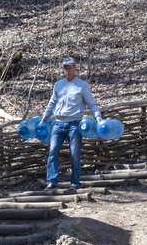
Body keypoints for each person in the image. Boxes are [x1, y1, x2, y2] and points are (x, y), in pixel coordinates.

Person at [40, 56, 103, 190]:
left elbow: (91, 103)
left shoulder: (82, 85)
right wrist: (44, 117)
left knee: (74, 154)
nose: (67, 71)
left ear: (75, 68)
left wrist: (98, 118)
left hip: (74, 123)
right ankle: (52, 181)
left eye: (69, 68)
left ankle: (75, 183)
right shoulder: (58, 84)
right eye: (65, 68)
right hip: (58, 122)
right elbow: (52, 103)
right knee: (52, 152)